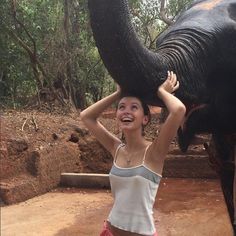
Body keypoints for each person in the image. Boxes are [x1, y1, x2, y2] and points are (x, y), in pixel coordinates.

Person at [80, 71, 186, 236]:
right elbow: (86, 117)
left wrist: (162, 92)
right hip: (110, 232)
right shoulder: (116, 148)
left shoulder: (154, 152)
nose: (126, 111)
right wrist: (118, 94)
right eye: (121, 107)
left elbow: (178, 110)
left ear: (145, 119)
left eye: (134, 107)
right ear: (117, 116)